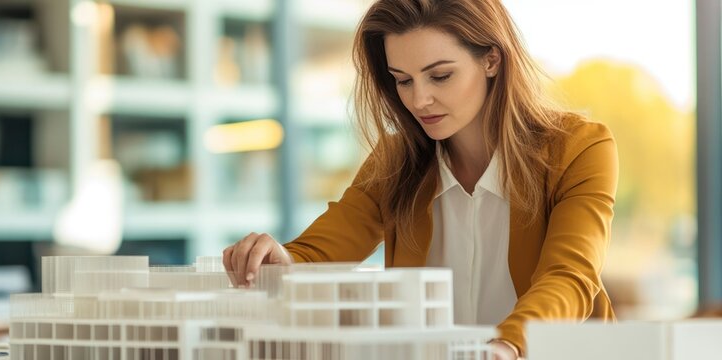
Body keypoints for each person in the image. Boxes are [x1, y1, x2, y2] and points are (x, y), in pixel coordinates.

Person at [222, 0, 618, 358]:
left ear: (492, 60)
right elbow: (325, 248)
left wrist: (506, 346)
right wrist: (282, 260)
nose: (418, 100)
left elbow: (570, 276)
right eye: (403, 79)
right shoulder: (396, 161)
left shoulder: (579, 149)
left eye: (440, 76)